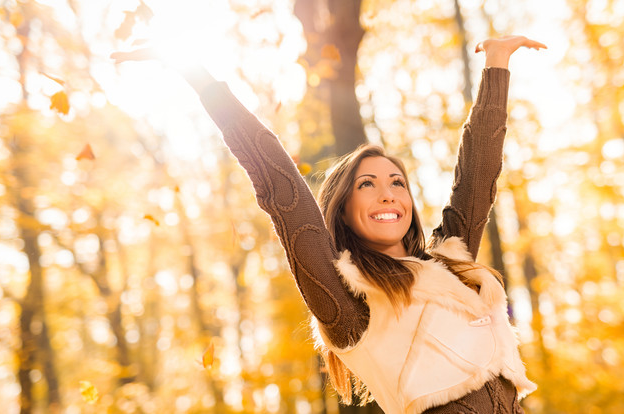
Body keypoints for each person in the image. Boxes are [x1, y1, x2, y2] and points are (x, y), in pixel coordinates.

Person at [113, 34, 545, 414]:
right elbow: (282, 191)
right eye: (368, 185)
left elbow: (476, 178)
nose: (388, 194)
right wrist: (198, 77)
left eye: (397, 182)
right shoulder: (346, 301)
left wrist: (496, 63)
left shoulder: (449, 262)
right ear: (342, 208)